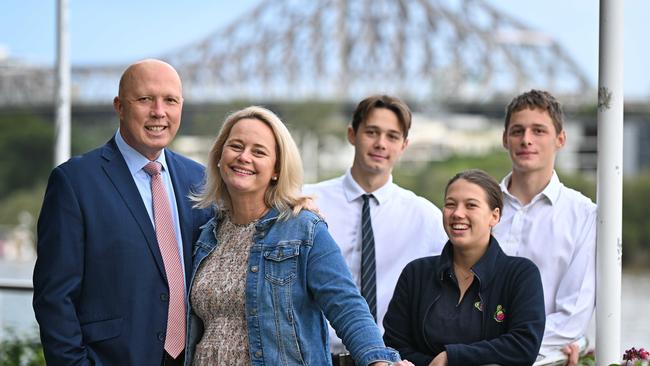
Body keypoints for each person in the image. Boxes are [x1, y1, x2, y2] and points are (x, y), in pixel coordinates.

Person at [186, 106, 412, 366]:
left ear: (276, 170)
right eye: (236, 146)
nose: (244, 157)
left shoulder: (304, 228)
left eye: (259, 152)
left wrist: (378, 362)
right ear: (219, 155)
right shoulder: (208, 234)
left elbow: (347, 305)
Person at [33, 59, 212, 365]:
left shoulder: (201, 180)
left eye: (170, 100)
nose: (159, 111)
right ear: (119, 106)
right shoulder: (75, 182)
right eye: (145, 99)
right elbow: (54, 298)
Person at [302, 95, 447, 365]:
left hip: (392, 360)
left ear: (404, 146)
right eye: (372, 132)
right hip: (316, 357)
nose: (381, 143)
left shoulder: (426, 217)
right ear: (351, 134)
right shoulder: (307, 201)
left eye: (392, 136)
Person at [383, 169, 545, 366]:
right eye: (450, 205)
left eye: (471, 205)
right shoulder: (416, 273)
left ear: (494, 216)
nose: (458, 214)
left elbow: (523, 346)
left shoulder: (520, 274)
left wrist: (451, 357)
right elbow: (394, 344)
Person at [492, 89, 597, 366]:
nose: (526, 139)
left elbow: (571, 318)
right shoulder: (478, 206)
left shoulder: (585, 215)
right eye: (517, 131)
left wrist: (493, 349)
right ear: (505, 139)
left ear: (560, 139)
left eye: (538, 130)